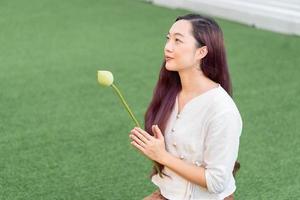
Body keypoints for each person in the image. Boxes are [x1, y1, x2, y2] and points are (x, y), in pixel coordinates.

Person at [129, 13, 242, 200]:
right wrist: (153, 149)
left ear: (201, 52)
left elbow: (216, 182)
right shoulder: (170, 94)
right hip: (168, 194)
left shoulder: (222, 110)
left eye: (177, 41)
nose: (168, 47)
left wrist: (163, 156)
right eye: (168, 39)